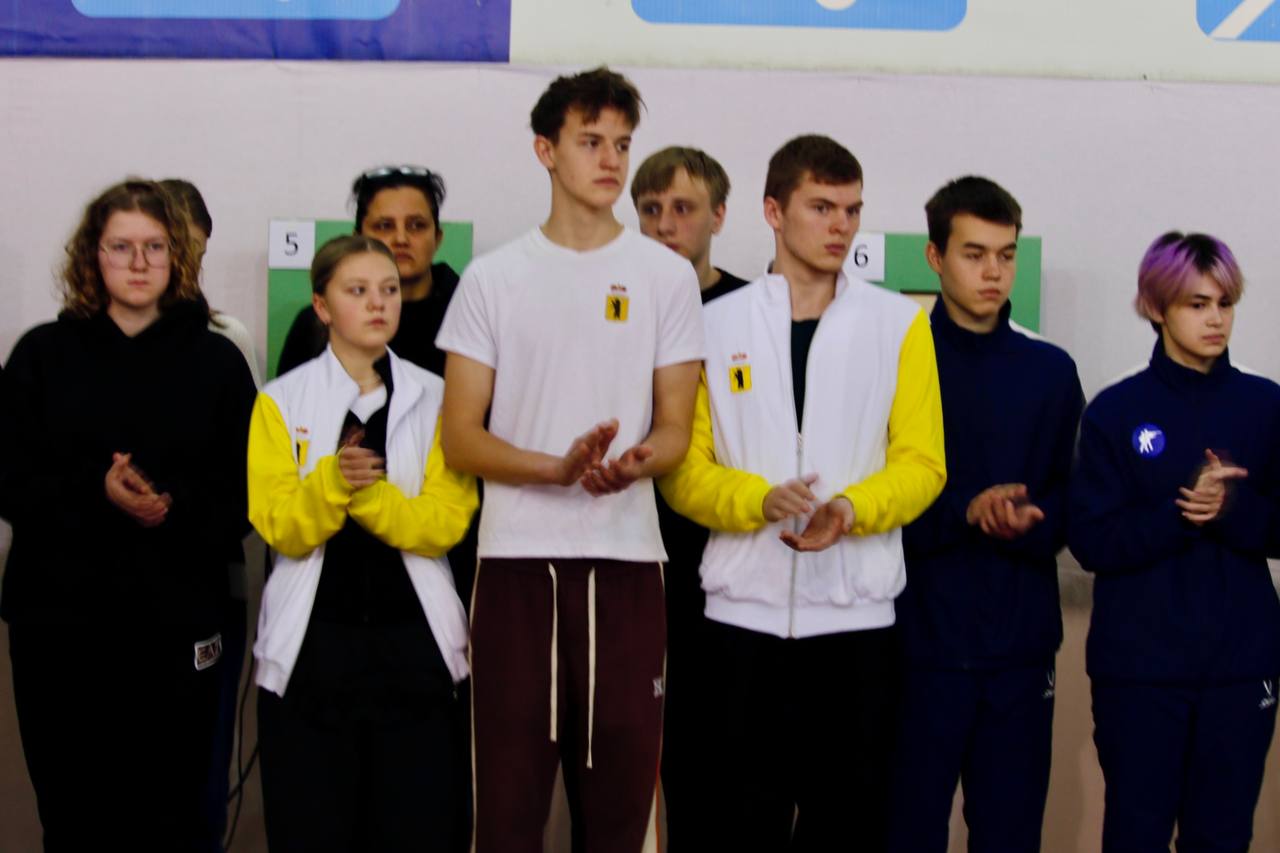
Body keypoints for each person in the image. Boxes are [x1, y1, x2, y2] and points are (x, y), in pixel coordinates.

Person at [436, 67, 704, 853]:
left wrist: (636, 461)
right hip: (515, 565)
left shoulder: (666, 276)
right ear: (545, 150)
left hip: (629, 565)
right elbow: (460, 437)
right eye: (591, 141)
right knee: (508, 813)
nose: (611, 159)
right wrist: (555, 469)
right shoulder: (492, 278)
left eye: (622, 143)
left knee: (621, 816)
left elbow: (676, 428)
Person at [658, 134, 946, 852]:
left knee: (847, 828)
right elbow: (682, 469)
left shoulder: (900, 324)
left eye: (851, 209)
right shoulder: (712, 323)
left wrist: (851, 509)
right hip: (739, 627)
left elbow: (923, 463)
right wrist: (756, 501)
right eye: (821, 207)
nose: (840, 225)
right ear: (773, 212)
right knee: (735, 828)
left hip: (857, 629)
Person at [0, 179, 257, 851]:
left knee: (174, 818)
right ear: (92, 254)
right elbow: (9, 479)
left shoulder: (219, 362)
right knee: (76, 817)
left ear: (178, 257)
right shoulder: (40, 356)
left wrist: (172, 504)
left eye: (155, 246)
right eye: (121, 246)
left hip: (178, 620)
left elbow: (247, 493)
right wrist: (98, 492)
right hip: (61, 627)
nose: (139, 263)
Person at [249, 235, 477, 852]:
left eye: (389, 289)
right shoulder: (279, 402)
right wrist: (331, 481)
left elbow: (444, 522)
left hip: (416, 654)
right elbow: (279, 525)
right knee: (312, 829)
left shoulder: (439, 397)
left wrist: (368, 497)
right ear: (322, 307)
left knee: (420, 828)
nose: (379, 303)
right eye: (358, 291)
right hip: (313, 655)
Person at [887, 177, 1083, 852]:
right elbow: (873, 499)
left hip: (1020, 648)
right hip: (917, 645)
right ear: (935, 257)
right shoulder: (896, 360)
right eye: (974, 254)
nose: (993, 271)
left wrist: (1031, 518)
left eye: (1006, 254)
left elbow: (1073, 501)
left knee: (1009, 835)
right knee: (907, 831)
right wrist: (963, 512)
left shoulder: (1050, 371)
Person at [1068, 232, 1280, 852]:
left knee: (1223, 837)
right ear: (1156, 307)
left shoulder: (1266, 405)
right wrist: (1183, 512)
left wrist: (1230, 509)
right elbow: (1091, 541)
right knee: (1135, 834)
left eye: (1225, 303)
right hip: (1138, 671)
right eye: (1197, 304)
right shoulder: (1114, 410)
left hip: (1241, 669)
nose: (1216, 319)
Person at [630, 144, 748, 849]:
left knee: (716, 761)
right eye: (651, 210)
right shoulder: (615, 302)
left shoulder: (753, 310)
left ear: (719, 216)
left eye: (683, 208)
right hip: (633, 549)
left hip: (728, 555)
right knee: (632, 760)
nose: (665, 224)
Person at [160, 176, 262, 851]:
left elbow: (249, 473)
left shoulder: (227, 340)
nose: (177, 262)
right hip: (112, 600)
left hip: (207, 585)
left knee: (201, 772)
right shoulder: (72, 349)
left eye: (190, 247)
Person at [276, 166, 458, 377]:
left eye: (417, 225)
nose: (401, 239)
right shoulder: (320, 321)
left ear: (437, 237)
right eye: (385, 226)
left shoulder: (469, 315)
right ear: (358, 238)